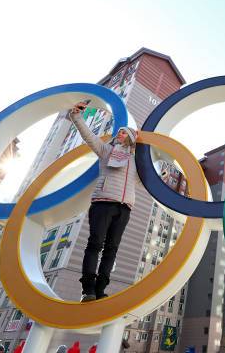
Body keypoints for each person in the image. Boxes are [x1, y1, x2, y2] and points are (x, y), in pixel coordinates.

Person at [69, 101, 138, 302]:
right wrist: (76, 117)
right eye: (119, 132)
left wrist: (163, 173)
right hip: (102, 203)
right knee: (95, 244)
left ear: (132, 139)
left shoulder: (135, 161)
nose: (119, 134)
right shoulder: (106, 150)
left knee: (111, 249)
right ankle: (88, 288)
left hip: (124, 208)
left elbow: (144, 182)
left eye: (124, 133)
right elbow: (89, 136)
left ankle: (100, 290)